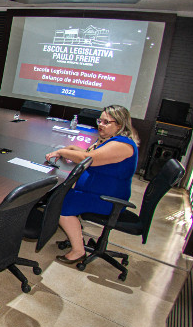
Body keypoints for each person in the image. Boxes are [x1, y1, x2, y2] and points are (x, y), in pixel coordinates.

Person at [45, 105, 139, 264]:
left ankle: (78, 251)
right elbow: (89, 153)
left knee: (59, 205)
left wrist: (62, 152)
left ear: (120, 124)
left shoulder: (122, 145)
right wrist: (70, 149)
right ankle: (74, 230)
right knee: (60, 193)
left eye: (106, 122)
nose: (100, 125)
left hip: (107, 199)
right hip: (97, 192)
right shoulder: (111, 140)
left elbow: (88, 159)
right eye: (100, 120)